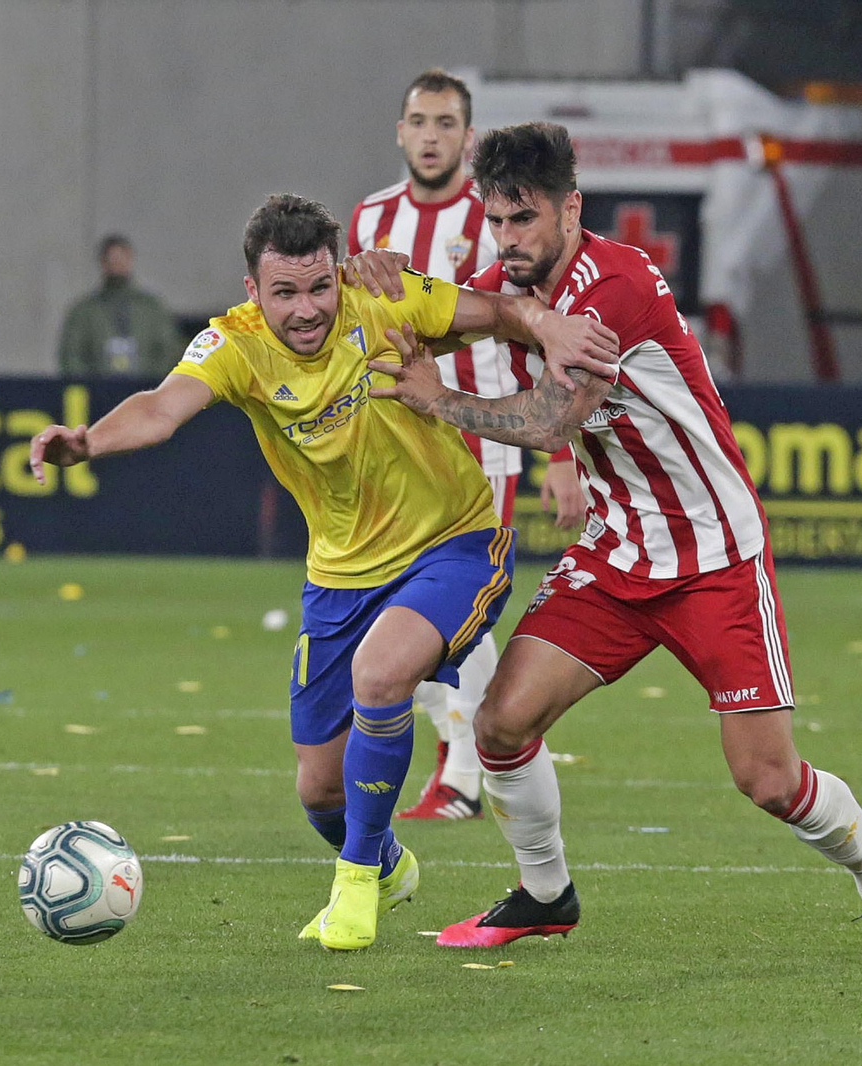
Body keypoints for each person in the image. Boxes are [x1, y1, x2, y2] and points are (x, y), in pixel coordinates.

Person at [354, 122, 862, 959]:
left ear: (570, 209)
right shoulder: (515, 282)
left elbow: (551, 421)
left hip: (712, 556)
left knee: (767, 778)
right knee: (501, 724)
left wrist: (436, 398)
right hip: (615, 551)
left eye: (524, 219)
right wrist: (377, 279)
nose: (508, 238)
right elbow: (441, 317)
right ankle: (545, 895)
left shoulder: (614, 288)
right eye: (497, 220)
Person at [29, 193, 618, 952]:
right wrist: (89, 442)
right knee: (319, 790)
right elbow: (160, 407)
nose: (306, 309)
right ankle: (388, 866)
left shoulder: (383, 297)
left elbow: (499, 312)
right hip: (339, 575)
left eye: (318, 287)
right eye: (284, 293)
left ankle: (355, 880)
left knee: (382, 675)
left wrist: (551, 326)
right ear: (253, 291)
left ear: (337, 274)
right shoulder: (235, 344)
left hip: (454, 543)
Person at [350, 69, 584, 821]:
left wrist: (562, 454)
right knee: (398, 605)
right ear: (399, 131)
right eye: (419, 121)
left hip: (481, 440)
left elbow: (539, 328)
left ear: (468, 137)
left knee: (455, 604)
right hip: (396, 446)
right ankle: (460, 758)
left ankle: (461, 774)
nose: (431, 136)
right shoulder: (371, 218)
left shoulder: (496, 219)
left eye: (446, 123)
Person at [57, 234, 184, 378]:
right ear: (103, 262)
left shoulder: (151, 308)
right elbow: (71, 354)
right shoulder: (84, 311)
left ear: (130, 259)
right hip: (97, 387)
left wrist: (153, 382)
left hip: (146, 386)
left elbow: (168, 350)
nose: (117, 263)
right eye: (112, 259)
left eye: (121, 258)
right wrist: (89, 383)